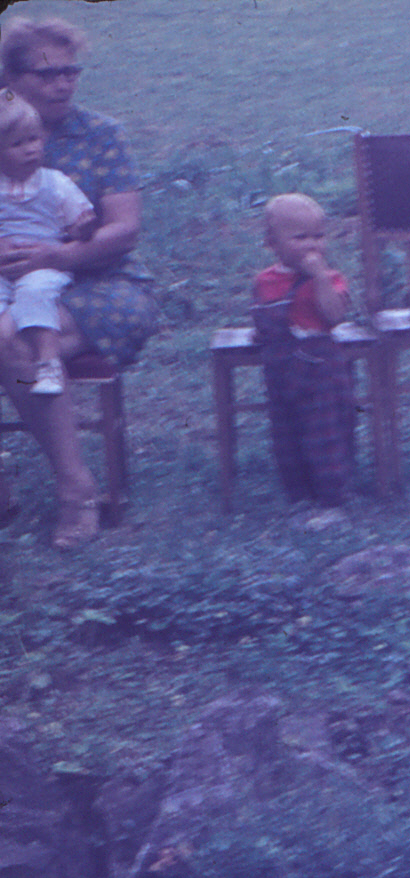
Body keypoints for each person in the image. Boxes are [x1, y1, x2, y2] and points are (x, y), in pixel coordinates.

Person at [0, 16, 160, 550]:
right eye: (47, 74)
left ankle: (75, 493)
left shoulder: (100, 135)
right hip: (11, 284)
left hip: (101, 283)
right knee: (10, 338)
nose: (63, 84)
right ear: (10, 78)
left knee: (16, 342)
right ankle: (65, 485)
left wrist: (58, 254)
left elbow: (124, 229)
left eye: (71, 72)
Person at [253, 194, 353, 515]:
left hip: (321, 371)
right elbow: (263, 319)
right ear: (272, 243)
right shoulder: (265, 281)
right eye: (300, 237)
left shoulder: (331, 279)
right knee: (286, 435)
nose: (312, 245)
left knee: (324, 435)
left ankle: (332, 502)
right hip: (281, 371)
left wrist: (320, 277)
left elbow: (334, 316)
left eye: (319, 236)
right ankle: (299, 497)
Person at [0, 94, 94, 398]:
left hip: (44, 264)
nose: (30, 149)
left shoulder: (55, 182)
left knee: (35, 293)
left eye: (34, 139)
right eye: (17, 144)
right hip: (3, 268)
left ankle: (48, 363)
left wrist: (82, 226)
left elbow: (77, 222)